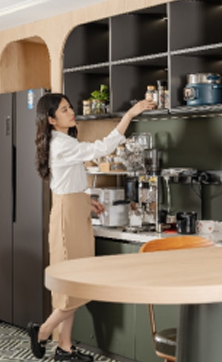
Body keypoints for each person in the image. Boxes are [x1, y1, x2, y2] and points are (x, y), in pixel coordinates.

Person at [29, 93, 155, 361]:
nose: (71, 112)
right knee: (73, 283)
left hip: (75, 210)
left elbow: (68, 182)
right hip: (67, 216)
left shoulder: (64, 141)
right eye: (64, 110)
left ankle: (64, 347)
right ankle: (43, 331)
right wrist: (130, 114)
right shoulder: (60, 144)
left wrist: (87, 201)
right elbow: (102, 148)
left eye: (69, 107)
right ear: (51, 119)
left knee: (76, 281)